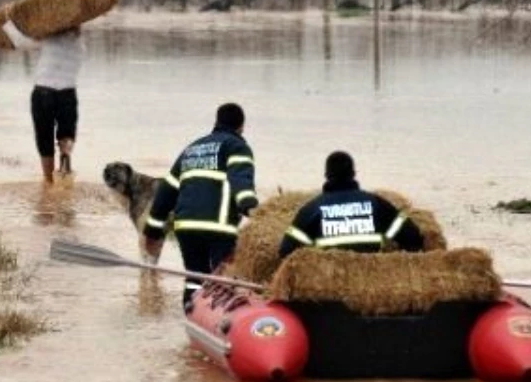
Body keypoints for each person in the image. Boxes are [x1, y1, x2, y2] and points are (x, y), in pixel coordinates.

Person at [141, 103, 259, 309]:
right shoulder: (237, 146)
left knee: (195, 279)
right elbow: (241, 181)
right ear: (242, 126)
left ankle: (192, 317)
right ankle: (220, 324)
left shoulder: (192, 149)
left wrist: (152, 230)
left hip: (186, 228)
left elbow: (166, 192)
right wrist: (253, 210)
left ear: (216, 122)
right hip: (218, 228)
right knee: (224, 281)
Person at [278, 151, 424, 257]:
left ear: (327, 176)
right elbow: (413, 237)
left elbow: (285, 251)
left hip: (327, 288)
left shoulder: (311, 209)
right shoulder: (377, 204)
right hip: (372, 285)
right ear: (353, 174)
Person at [28, 27, 83, 184]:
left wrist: (7, 23)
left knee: (44, 138)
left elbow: (18, 42)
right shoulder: (78, 45)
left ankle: (48, 180)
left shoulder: (48, 39)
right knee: (66, 134)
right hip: (67, 93)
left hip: (43, 92)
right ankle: (65, 172)